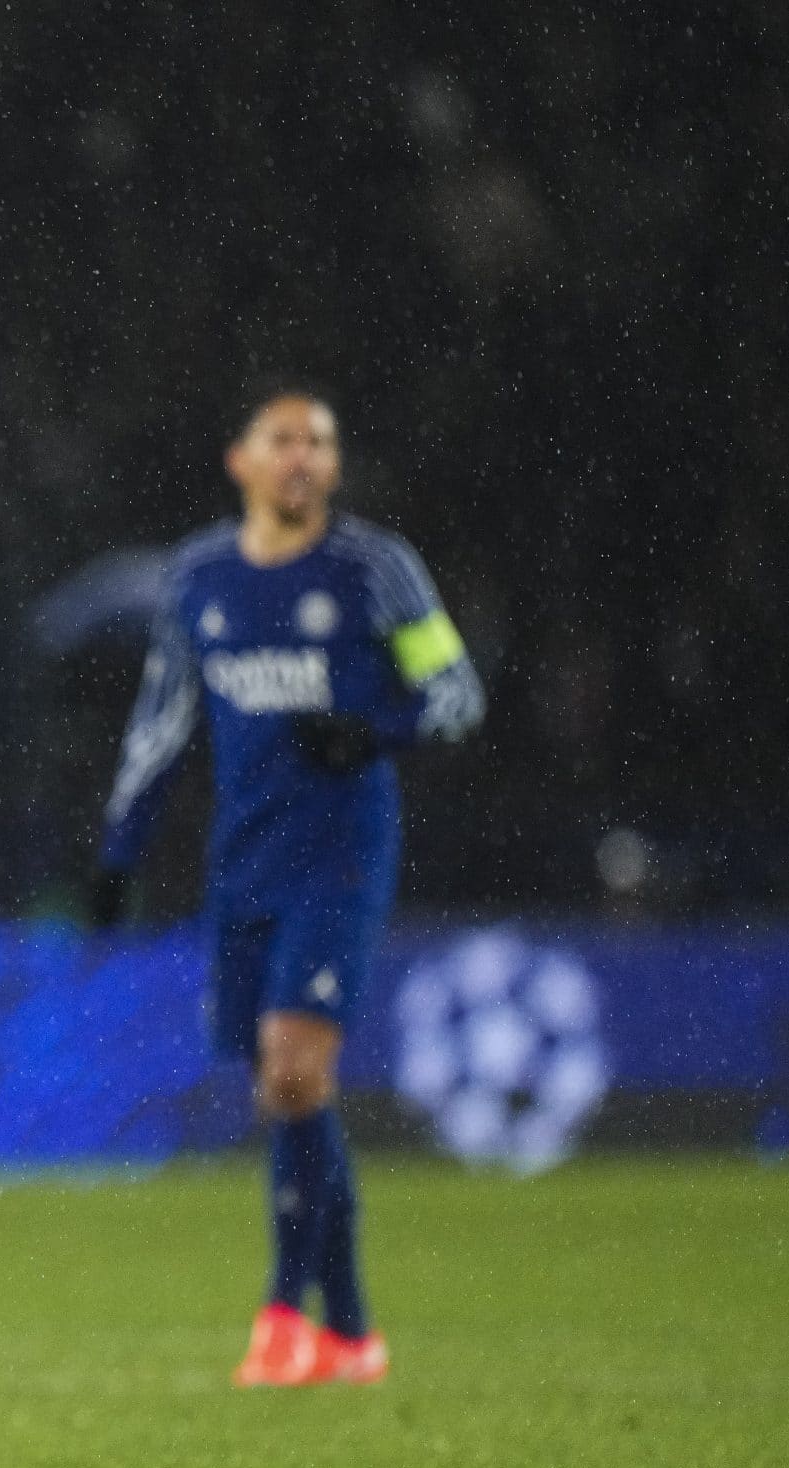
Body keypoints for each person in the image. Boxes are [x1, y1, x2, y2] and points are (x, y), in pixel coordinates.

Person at [87, 387, 485, 1387]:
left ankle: (278, 1314)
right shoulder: (199, 578)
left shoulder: (372, 569)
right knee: (283, 1087)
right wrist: (116, 854)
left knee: (292, 1065)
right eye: (284, 441)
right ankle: (348, 1330)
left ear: (332, 467)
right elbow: (161, 722)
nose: (303, 458)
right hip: (245, 857)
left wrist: (375, 730)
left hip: (342, 852)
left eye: (319, 443)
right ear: (242, 460)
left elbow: (454, 692)